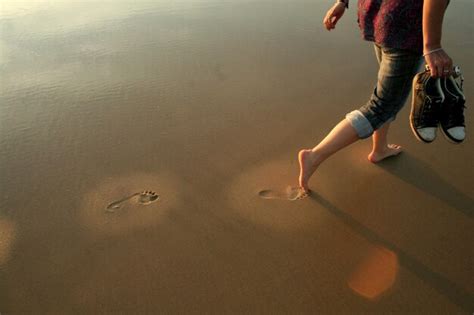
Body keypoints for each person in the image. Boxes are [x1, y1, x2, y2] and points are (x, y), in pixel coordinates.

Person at [298, 0, 453, 192]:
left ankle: (379, 149)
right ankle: (314, 156)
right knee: (382, 105)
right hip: (405, 27)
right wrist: (433, 45)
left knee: (387, 92)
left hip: (378, 15)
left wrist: (341, 2)